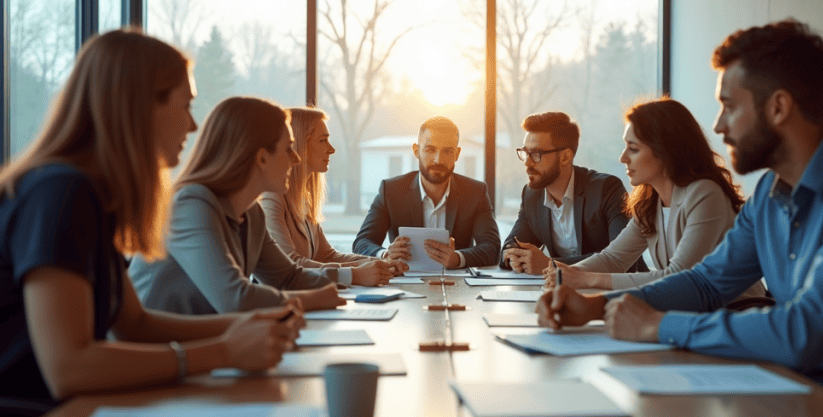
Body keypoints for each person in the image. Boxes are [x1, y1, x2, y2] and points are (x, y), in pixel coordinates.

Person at [537, 19, 823, 403]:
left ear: (778, 108)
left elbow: (803, 331)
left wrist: (658, 325)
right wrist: (596, 308)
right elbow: (706, 283)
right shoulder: (771, 191)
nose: (718, 126)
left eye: (729, 107)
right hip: (802, 391)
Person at [0, 31, 300, 417]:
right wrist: (224, 352)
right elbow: (69, 367)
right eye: (186, 105)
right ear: (140, 109)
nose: (194, 125)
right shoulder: (60, 193)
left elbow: (137, 324)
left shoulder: (90, 197)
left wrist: (250, 326)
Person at [129, 97, 346, 314]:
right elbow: (236, 299)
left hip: (206, 337)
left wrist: (343, 285)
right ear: (262, 158)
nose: (297, 159)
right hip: (157, 344)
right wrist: (310, 300)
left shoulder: (252, 212)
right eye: (289, 148)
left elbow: (289, 277)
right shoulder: (191, 206)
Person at [543, 98, 766, 302]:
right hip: (689, 311)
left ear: (665, 152)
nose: (623, 158)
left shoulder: (705, 193)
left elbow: (678, 277)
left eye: (633, 149)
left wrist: (585, 279)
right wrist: (566, 274)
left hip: (735, 311)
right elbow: (614, 258)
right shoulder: (650, 201)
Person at [260, 107, 404, 285]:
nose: (331, 149)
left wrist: (380, 263)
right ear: (299, 145)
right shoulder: (271, 198)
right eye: (323, 141)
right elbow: (291, 264)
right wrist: (355, 274)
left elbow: (326, 255)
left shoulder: (305, 198)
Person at [501, 111, 644, 274]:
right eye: (525, 153)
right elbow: (510, 246)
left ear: (565, 157)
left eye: (536, 154)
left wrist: (550, 264)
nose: (527, 162)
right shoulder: (531, 194)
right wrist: (514, 256)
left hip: (617, 292)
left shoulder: (606, 189)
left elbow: (624, 261)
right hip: (559, 291)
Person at [353, 116, 500, 269]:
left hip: (457, 284)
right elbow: (362, 243)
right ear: (416, 151)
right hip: (405, 283)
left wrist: (458, 258)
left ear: (457, 154)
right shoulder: (391, 191)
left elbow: (492, 247)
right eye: (430, 149)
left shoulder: (475, 192)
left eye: (447, 151)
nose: (438, 159)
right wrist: (385, 255)